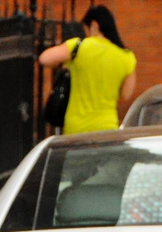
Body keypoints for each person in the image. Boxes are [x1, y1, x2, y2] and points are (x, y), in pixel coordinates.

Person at [38, 5, 136, 135]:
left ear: (94, 25)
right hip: (107, 126)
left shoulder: (79, 47)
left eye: (87, 30)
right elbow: (126, 94)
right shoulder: (127, 57)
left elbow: (44, 58)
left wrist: (65, 64)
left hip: (76, 127)